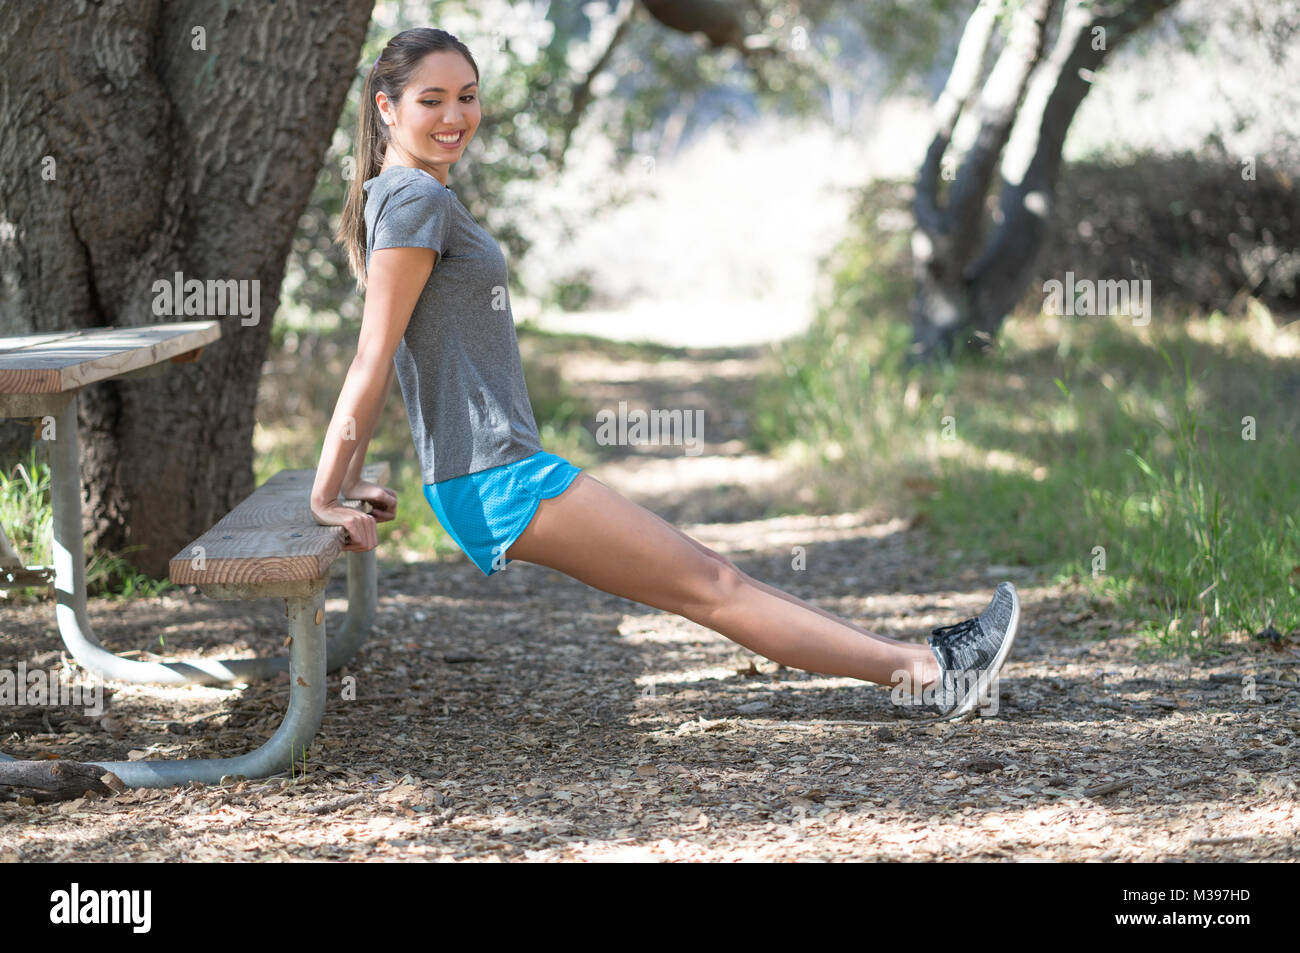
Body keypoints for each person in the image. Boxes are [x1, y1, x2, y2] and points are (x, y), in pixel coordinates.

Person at [309, 27, 1019, 721]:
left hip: (495, 469)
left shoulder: (402, 195)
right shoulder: (413, 200)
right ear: (385, 106)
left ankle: (924, 659)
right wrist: (326, 492)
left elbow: (389, 351)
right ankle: (934, 674)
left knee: (714, 576)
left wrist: (351, 478)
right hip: (493, 476)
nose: (455, 116)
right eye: (431, 100)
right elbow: (374, 358)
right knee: (711, 587)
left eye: (467, 96)